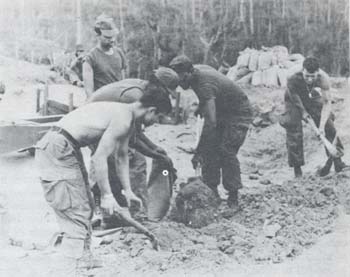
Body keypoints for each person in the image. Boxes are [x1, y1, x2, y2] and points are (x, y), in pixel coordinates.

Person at [35, 86, 171, 273]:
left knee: (86, 202)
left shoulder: (128, 118)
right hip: (57, 147)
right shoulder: (123, 118)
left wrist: (128, 191)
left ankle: (83, 257)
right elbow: (99, 157)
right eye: (157, 118)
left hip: (66, 147)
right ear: (152, 110)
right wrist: (107, 195)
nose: (155, 122)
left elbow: (121, 157)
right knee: (75, 205)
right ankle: (71, 265)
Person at [88, 67, 178, 214]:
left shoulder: (143, 89)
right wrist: (155, 153)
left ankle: (132, 207)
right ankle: (114, 210)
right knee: (118, 162)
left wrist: (155, 149)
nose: (165, 96)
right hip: (94, 123)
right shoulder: (134, 96)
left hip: (105, 121)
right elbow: (133, 138)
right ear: (158, 85)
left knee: (134, 160)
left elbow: (134, 133)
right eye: (166, 92)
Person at [169, 55, 253, 208]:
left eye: (181, 79)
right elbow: (214, 96)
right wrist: (203, 106)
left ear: (188, 73)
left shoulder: (203, 83)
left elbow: (211, 123)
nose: (179, 84)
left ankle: (233, 198)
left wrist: (198, 151)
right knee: (209, 151)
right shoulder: (196, 71)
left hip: (239, 113)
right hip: (223, 111)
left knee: (226, 151)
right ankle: (211, 192)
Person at [280, 56, 347, 178]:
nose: (310, 79)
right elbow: (295, 99)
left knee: (329, 125)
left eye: (313, 76)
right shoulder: (291, 76)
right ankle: (297, 169)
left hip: (310, 95)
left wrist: (320, 126)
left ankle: (338, 162)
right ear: (303, 70)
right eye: (307, 76)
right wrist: (304, 114)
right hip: (293, 97)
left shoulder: (324, 78)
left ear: (318, 72)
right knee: (293, 126)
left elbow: (327, 103)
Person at [83, 15, 126, 97]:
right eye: (107, 37)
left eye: (113, 37)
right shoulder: (90, 58)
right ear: (98, 36)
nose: (112, 40)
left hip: (119, 101)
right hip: (102, 102)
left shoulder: (119, 53)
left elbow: (123, 82)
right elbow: (89, 93)